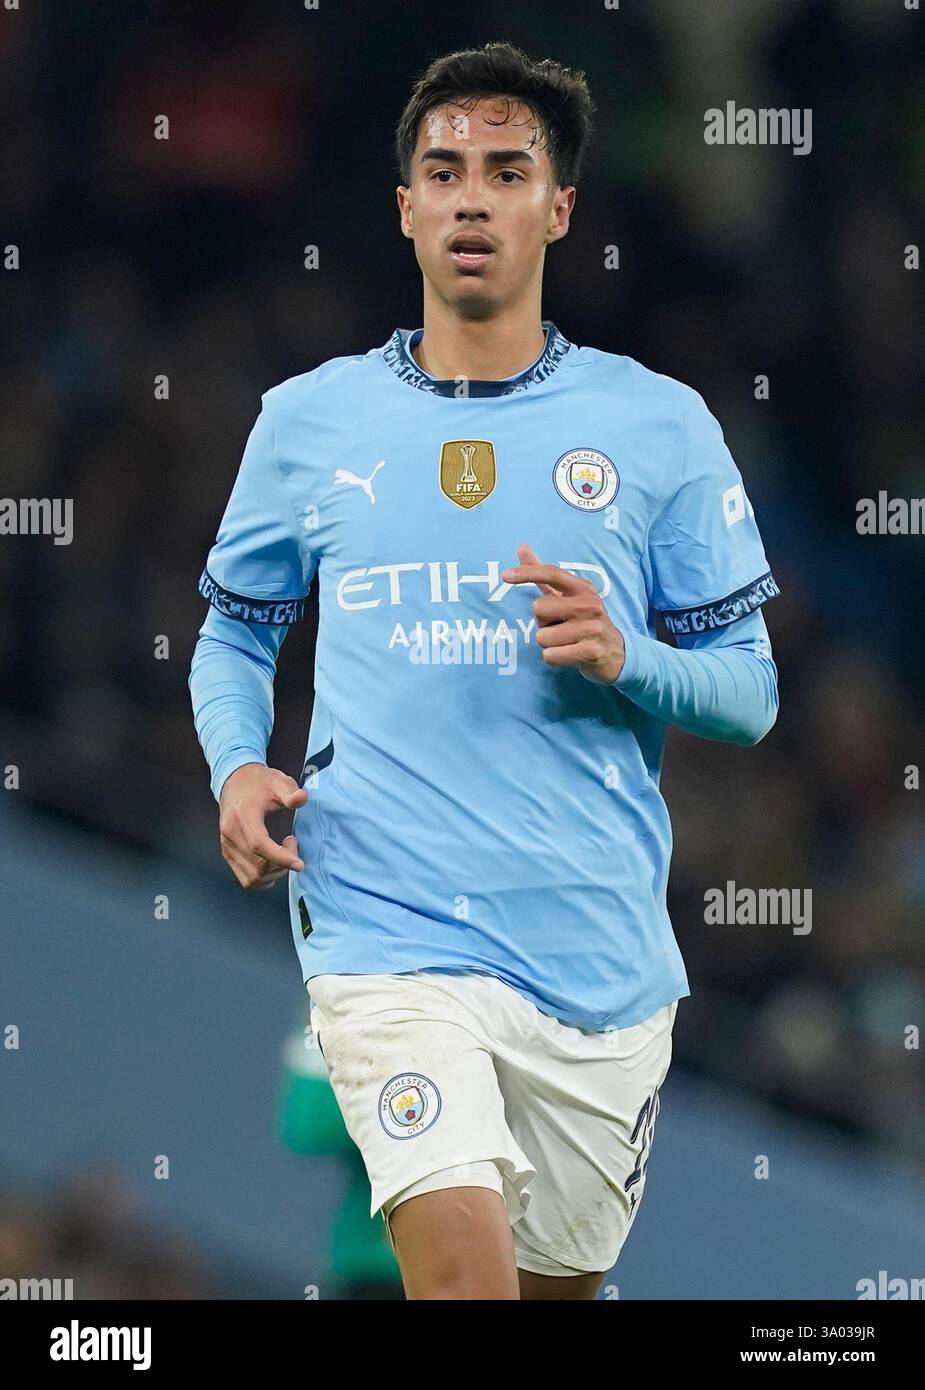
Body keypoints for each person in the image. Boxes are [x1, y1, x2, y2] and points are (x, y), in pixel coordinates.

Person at [189, 40, 780, 1300]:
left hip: (596, 960)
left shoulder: (655, 424)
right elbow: (236, 632)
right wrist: (239, 763)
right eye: (444, 171)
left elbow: (750, 689)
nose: (471, 196)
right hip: (381, 929)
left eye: (507, 171)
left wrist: (632, 658)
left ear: (556, 209)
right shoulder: (309, 421)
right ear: (403, 206)